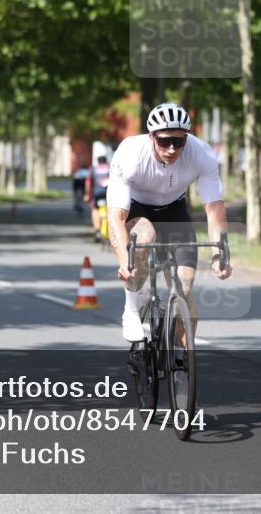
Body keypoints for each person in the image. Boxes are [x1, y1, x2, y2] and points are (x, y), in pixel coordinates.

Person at [106, 102, 232, 342]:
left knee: (184, 290)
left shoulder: (201, 153)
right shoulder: (130, 154)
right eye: (165, 141)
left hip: (174, 210)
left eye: (179, 141)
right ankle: (131, 309)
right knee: (143, 238)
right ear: (151, 137)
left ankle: (182, 360)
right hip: (138, 209)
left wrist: (221, 254)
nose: (172, 148)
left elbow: (214, 208)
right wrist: (124, 261)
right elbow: (116, 216)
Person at [84, 155, 110, 242]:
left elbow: (88, 184)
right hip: (108, 194)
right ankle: (110, 231)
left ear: (98, 162)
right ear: (105, 161)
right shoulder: (110, 168)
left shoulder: (93, 170)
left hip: (97, 194)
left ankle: (97, 231)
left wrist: (87, 195)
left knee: (95, 209)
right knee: (110, 210)